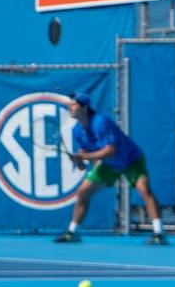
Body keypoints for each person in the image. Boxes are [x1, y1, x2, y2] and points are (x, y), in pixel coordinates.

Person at [56, 91, 167, 245]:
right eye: (70, 105)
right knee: (82, 192)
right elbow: (83, 162)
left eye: (73, 104)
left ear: (85, 107)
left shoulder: (101, 122)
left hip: (131, 159)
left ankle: (159, 233)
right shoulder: (77, 131)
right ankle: (72, 232)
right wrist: (78, 160)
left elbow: (110, 151)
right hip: (109, 165)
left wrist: (83, 157)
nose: (70, 107)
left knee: (144, 189)